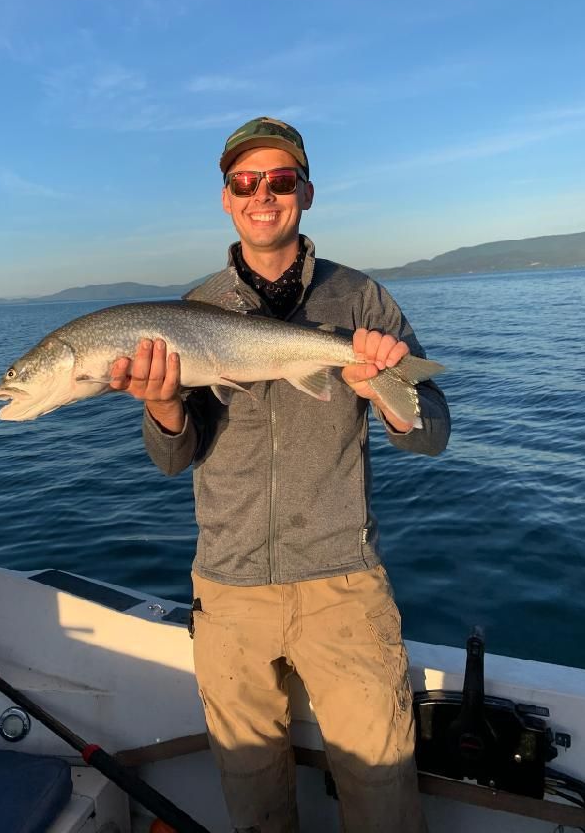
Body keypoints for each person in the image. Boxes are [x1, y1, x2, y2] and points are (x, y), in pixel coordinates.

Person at [108, 117, 450, 833]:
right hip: (229, 596)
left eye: (281, 180)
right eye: (246, 182)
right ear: (227, 200)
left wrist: (382, 388)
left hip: (343, 589)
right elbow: (173, 459)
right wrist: (166, 405)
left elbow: (432, 436)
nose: (264, 194)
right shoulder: (191, 311)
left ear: (307, 193)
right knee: (255, 810)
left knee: (384, 802)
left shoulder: (359, 301)